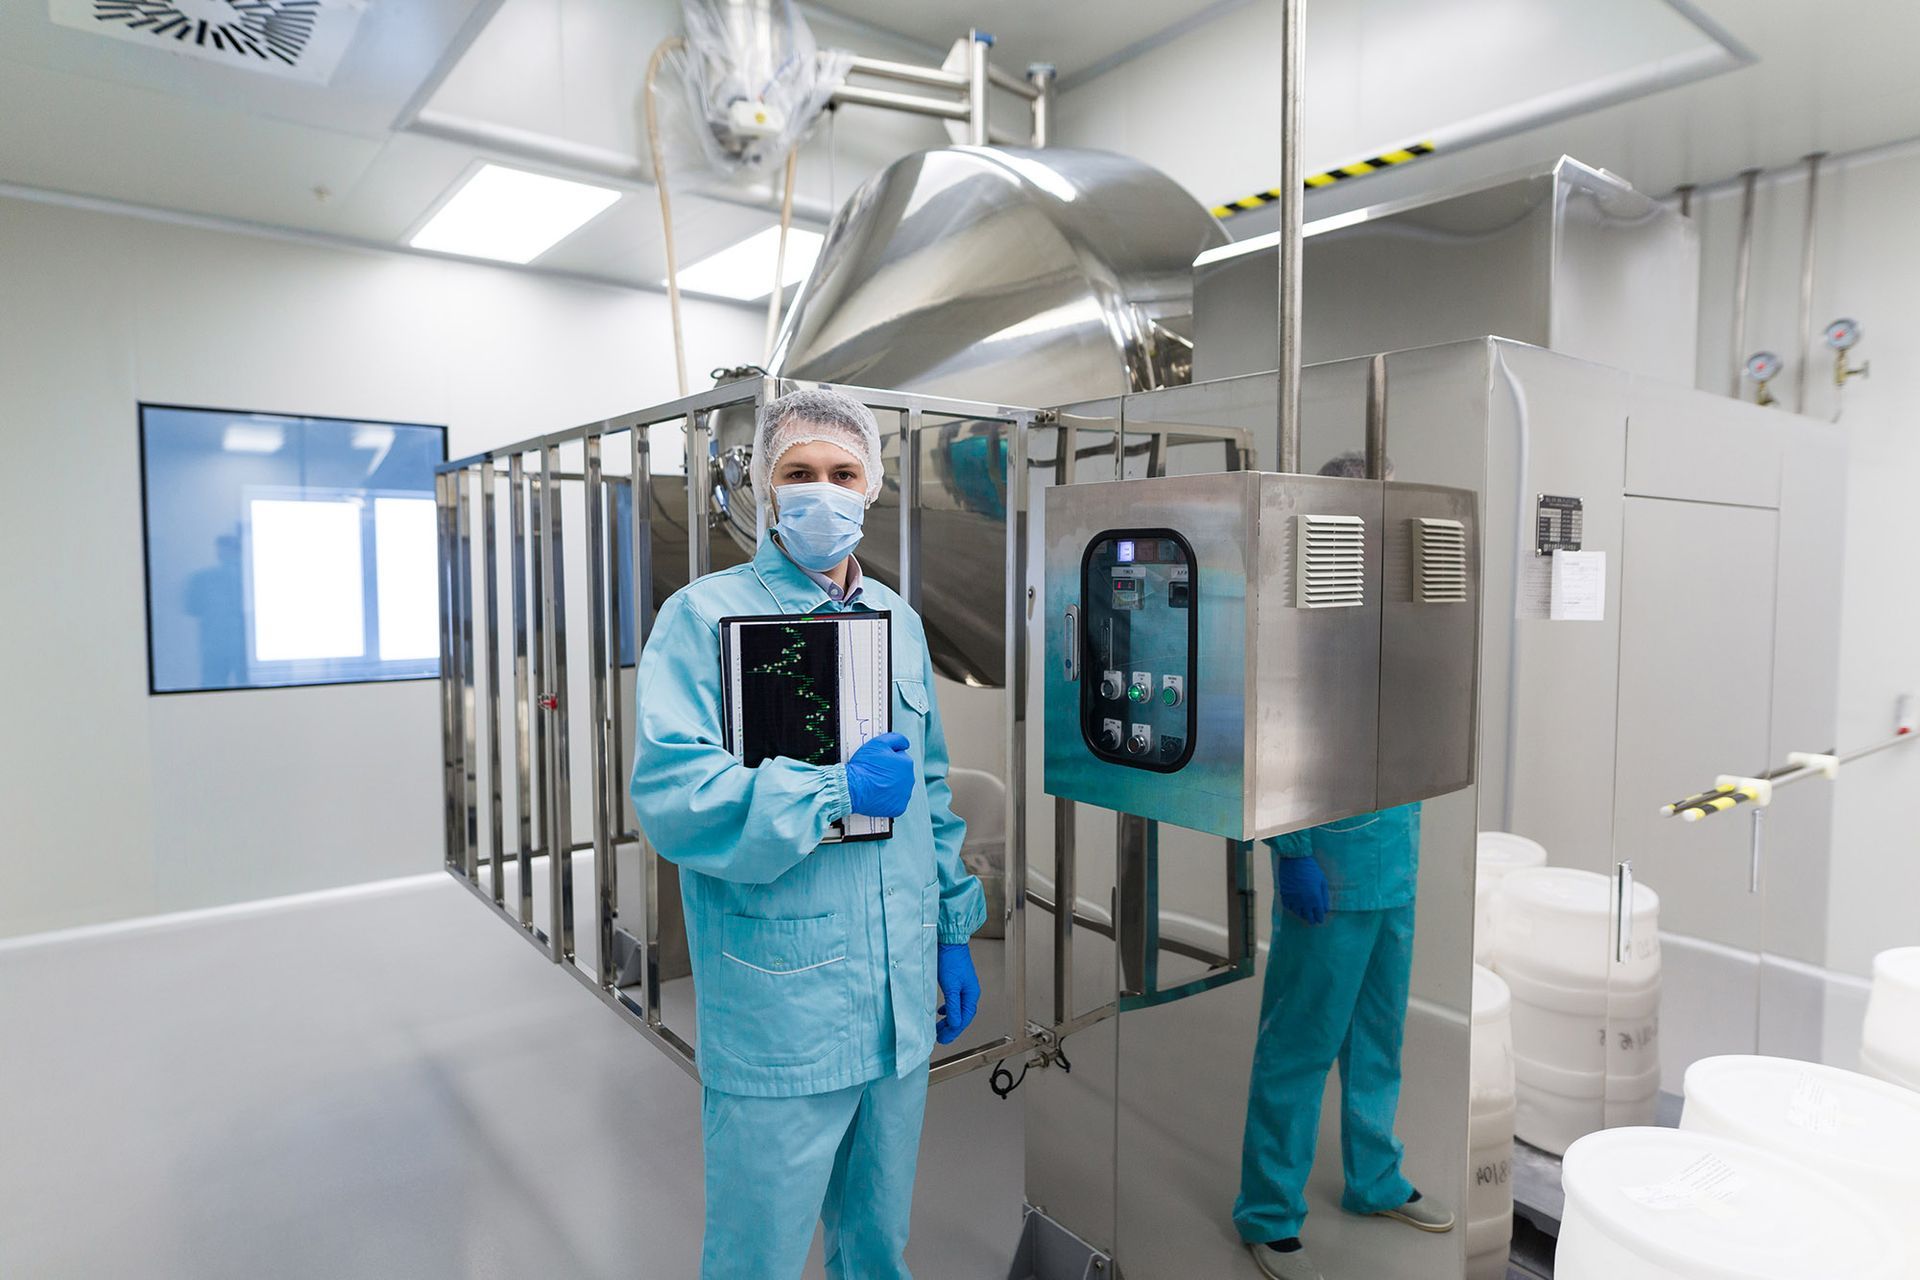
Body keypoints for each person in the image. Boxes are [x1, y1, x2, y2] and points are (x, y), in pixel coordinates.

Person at [629, 387, 986, 1280]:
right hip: (782, 1004)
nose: (820, 491)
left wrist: (951, 931)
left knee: (876, 1243)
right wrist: (831, 789)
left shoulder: (896, 620)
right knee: (759, 1254)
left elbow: (932, 790)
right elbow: (677, 797)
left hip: (899, 999)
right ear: (764, 488)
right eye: (798, 473)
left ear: (870, 488)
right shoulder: (704, 619)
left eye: (841, 473)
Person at [1238, 451, 1453, 1280]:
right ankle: (1266, 1212)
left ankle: (1375, 1178)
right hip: (1328, 868)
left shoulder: (1395, 615)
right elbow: (1273, 740)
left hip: (1393, 865)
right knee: (1298, 1044)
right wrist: (1292, 853)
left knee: (1378, 1040)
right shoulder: (1301, 612)